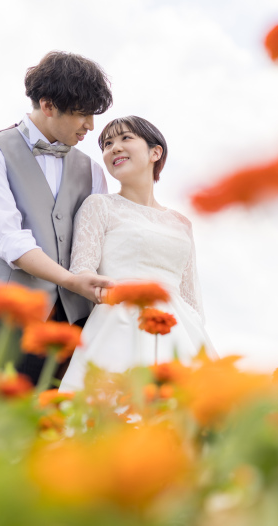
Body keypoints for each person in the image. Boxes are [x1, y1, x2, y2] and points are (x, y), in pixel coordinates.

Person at [0, 51, 114, 386]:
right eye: (82, 114)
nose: (90, 125)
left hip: (77, 326)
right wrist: (71, 280)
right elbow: (9, 241)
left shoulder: (92, 170)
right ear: (47, 105)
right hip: (10, 321)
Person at [59, 116, 216, 391]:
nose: (114, 148)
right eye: (107, 144)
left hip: (178, 330)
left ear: (155, 152)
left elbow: (191, 298)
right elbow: (82, 268)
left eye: (125, 138)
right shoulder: (99, 206)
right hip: (117, 325)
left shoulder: (181, 224)